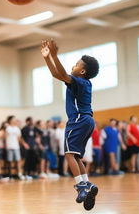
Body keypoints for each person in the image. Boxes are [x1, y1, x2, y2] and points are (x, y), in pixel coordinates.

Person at [41, 39, 99, 211]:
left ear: (81, 71)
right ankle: (86, 184)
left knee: (68, 154)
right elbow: (57, 74)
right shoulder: (83, 82)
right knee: (76, 156)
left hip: (78, 119)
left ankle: (81, 187)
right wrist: (47, 58)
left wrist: (54, 55)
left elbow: (62, 73)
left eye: (75, 64)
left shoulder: (79, 81)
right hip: (88, 120)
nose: (73, 66)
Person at [5, 116, 24, 180]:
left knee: (18, 160)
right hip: (9, 146)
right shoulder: (8, 128)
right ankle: (10, 175)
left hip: (16, 146)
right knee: (9, 161)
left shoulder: (17, 128)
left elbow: (19, 138)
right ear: (10, 120)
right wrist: (6, 145)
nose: (15, 120)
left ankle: (19, 174)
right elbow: (6, 137)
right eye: (13, 119)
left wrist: (21, 144)